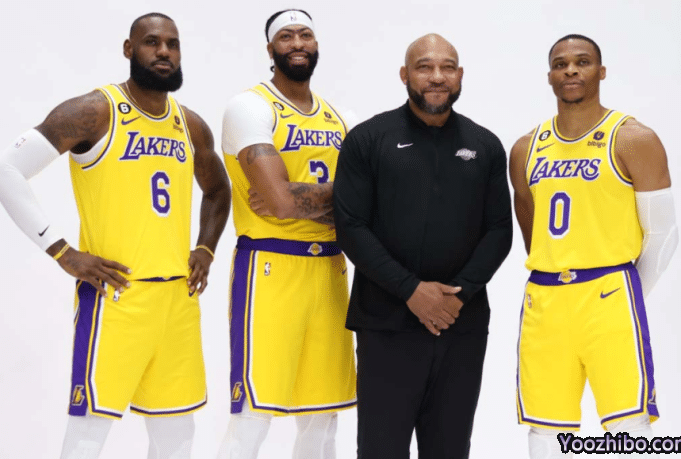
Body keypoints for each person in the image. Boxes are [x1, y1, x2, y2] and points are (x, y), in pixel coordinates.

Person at [0, 13, 231, 459]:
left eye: (172, 44)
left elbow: (218, 190)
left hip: (177, 302)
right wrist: (62, 251)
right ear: (129, 49)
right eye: (151, 42)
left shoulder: (189, 124)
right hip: (117, 297)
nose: (163, 52)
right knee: (89, 435)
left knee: (177, 435)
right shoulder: (95, 110)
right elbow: (7, 170)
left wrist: (205, 248)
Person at [333, 33, 513, 459]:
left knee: (450, 450)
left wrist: (457, 296)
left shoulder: (485, 145)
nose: (437, 77)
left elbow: (499, 231)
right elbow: (351, 227)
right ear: (404, 75)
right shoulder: (368, 139)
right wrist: (411, 290)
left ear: (460, 75)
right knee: (380, 450)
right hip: (386, 324)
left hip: (461, 326)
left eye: (447, 67)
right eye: (424, 67)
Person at [509, 34, 679, 459]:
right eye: (560, 63)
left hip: (609, 292)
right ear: (549, 76)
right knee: (544, 427)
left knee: (628, 423)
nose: (570, 69)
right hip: (546, 297)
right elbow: (531, 229)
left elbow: (664, 234)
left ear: (601, 72)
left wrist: (627, 293)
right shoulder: (526, 148)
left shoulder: (632, 138)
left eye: (582, 61)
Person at [217, 9, 356, 459]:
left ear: (316, 45)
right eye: (286, 36)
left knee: (323, 418)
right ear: (270, 49)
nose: (297, 43)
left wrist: (299, 198)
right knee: (252, 416)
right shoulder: (250, 107)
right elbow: (277, 202)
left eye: (306, 34)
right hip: (270, 268)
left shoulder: (340, 116)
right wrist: (334, 202)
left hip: (330, 270)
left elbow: (368, 201)